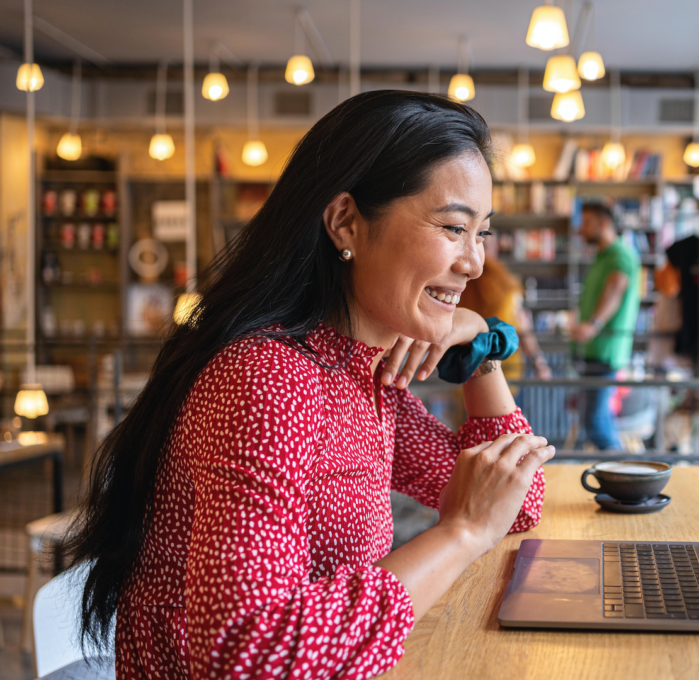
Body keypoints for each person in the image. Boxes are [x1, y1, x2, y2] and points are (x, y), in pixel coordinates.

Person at [64, 91, 555, 680]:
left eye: (482, 234)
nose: (474, 262)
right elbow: (246, 654)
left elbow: (516, 500)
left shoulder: (361, 374)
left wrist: (481, 348)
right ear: (346, 221)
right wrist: (459, 533)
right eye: (454, 227)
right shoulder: (268, 380)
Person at [571, 202, 641, 450]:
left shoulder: (620, 254)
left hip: (606, 351)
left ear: (603, 224)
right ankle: (622, 474)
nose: (581, 230)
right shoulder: (602, 256)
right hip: (595, 350)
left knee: (595, 422)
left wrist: (593, 324)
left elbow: (616, 287)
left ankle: (625, 476)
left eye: (586, 223)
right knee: (598, 420)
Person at [459, 236, 552, 382]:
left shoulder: (459, 284)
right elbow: (523, 328)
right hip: (504, 371)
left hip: (466, 369)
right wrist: (539, 363)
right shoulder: (507, 287)